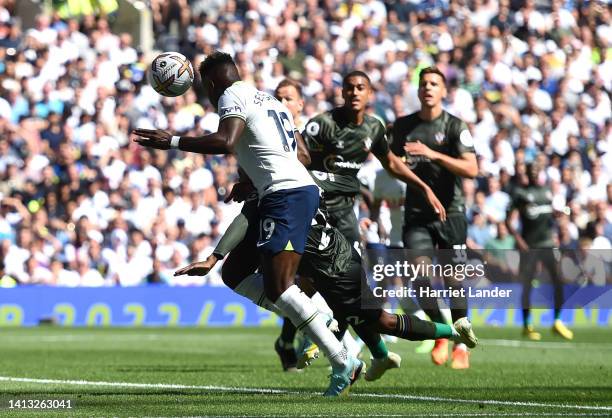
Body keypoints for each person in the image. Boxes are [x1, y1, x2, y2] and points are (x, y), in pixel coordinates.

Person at [132, 51, 363, 397]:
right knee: (235, 272)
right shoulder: (268, 99)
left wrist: (174, 141)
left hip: (287, 196)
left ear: (211, 84)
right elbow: (302, 155)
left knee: (280, 287)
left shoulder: (230, 95)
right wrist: (256, 176)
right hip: (283, 192)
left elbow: (225, 141)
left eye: (205, 90)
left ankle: (341, 356)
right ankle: (321, 318)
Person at [175, 187, 477, 381]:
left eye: (288, 98)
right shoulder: (270, 165)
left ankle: (447, 333)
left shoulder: (294, 166)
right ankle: (375, 356)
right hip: (317, 257)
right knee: (293, 292)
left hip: (335, 262)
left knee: (376, 319)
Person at [388, 67, 478, 369]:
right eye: (423, 83)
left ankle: (462, 345)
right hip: (416, 214)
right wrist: (399, 164)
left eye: (434, 83)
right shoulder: (403, 126)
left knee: (453, 278)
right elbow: (391, 163)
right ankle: (442, 331)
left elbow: (471, 168)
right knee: (420, 275)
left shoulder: (454, 126)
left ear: (443, 91)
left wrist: (433, 154)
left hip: (450, 212)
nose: (428, 87)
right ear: (418, 91)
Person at [271, 78, 361, 372]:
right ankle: (304, 342)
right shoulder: (270, 133)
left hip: (331, 213)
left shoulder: (314, 131)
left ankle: (322, 344)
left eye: (289, 98)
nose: (283, 103)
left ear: (300, 104)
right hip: (298, 214)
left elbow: (324, 166)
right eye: (278, 97)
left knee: (325, 284)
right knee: (298, 285)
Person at [303, 71, 446, 252]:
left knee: (353, 274)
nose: (355, 92)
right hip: (315, 209)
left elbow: (392, 163)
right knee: (312, 274)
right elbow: (299, 162)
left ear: (370, 94)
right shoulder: (322, 124)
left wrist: (424, 188)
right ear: (342, 92)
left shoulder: (374, 128)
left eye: (360, 88)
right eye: (350, 88)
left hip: (345, 213)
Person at [506, 161, 573, 341]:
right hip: (529, 245)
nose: (535, 172)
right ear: (527, 172)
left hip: (548, 243)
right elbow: (507, 221)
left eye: (537, 169)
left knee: (558, 280)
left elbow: (550, 216)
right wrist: (519, 240)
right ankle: (527, 325)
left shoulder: (547, 192)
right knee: (527, 285)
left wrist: (558, 215)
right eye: (532, 169)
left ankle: (557, 321)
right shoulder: (520, 194)